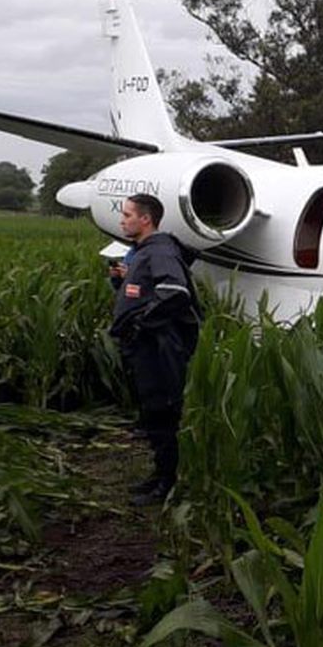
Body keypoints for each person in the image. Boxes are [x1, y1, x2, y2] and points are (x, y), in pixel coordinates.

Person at [110, 193, 201, 505]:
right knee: (152, 411)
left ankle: (166, 484)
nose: (122, 220)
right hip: (145, 346)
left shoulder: (159, 251)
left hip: (159, 347)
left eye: (127, 215)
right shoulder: (143, 251)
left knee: (162, 412)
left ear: (145, 219)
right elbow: (147, 290)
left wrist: (141, 324)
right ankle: (159, 475)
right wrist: (121, 282)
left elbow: (174, 292)